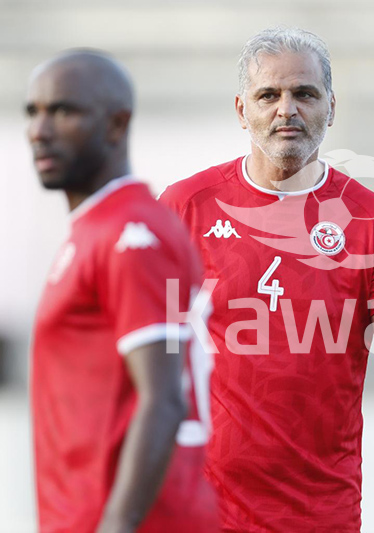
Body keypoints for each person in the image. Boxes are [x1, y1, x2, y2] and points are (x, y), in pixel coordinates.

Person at [159, 27, 374, 531]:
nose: (287, 109)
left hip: (320, 507)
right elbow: (144, 345)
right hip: (201, 503)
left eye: (304, 93)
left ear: (331, 107)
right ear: (242, 110)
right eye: (269, 95)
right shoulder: (184, 206)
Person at [27, 50, 217, 532]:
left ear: (117, 124)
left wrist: (115, 524)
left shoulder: (131, 233)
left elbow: (163, 398)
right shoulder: (98, 228)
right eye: (34, 111)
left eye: (65, 111)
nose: (39, 130)